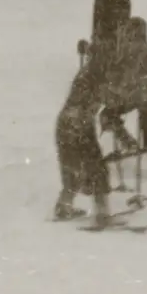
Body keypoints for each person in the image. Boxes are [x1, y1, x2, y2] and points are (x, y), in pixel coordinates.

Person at [99, 17, 147, 182]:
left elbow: (112, 74)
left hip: (134, 95)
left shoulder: (127, 51)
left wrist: (115, 91)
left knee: (108, 115)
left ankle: (126, 140)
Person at [52, 58, 112, 226]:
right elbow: (107, 101)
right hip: (81, 123)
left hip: (64, 122)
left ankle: (64, 206)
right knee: (96, 168)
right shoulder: (100, 75)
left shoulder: (86, 73)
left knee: (72, 167)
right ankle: (102, 214)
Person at [89, 0, 132, 80]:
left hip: (112, 40)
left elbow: (121, 20)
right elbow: (97, 17)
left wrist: (104, 36)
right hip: (104, 39)